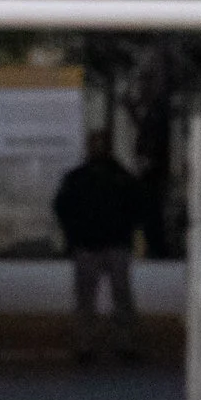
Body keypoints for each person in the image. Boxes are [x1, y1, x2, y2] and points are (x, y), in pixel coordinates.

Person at [52, 131, 144, 363]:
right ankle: (116, 344)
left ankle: (98, 345)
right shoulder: (120, 177)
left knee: (97, 298)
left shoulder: (82, 178)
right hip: (105, 244)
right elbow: (137, 208)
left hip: (98, 245)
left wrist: (74, 235)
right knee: (106, 297)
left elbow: (62, 207)